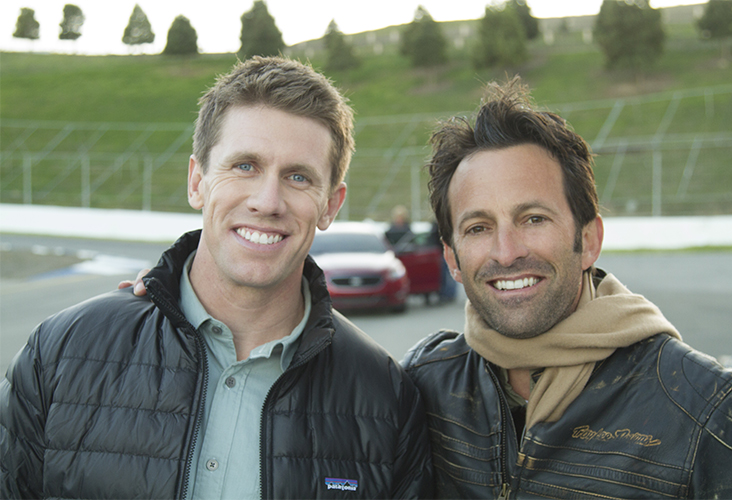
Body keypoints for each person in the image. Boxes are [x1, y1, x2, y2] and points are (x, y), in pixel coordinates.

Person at [0, 56, 432, 499]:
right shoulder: (61, 352)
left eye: (298, 176)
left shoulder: (387, 399)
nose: (268, 201)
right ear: (197, 182)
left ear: (330, 206)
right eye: (245, 166)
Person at [401, 77, 732, 499]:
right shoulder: (420, 387)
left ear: (588, 241)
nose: (506, 253)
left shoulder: (706, 410)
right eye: (478, 227)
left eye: (534, 219)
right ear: (452, 259)